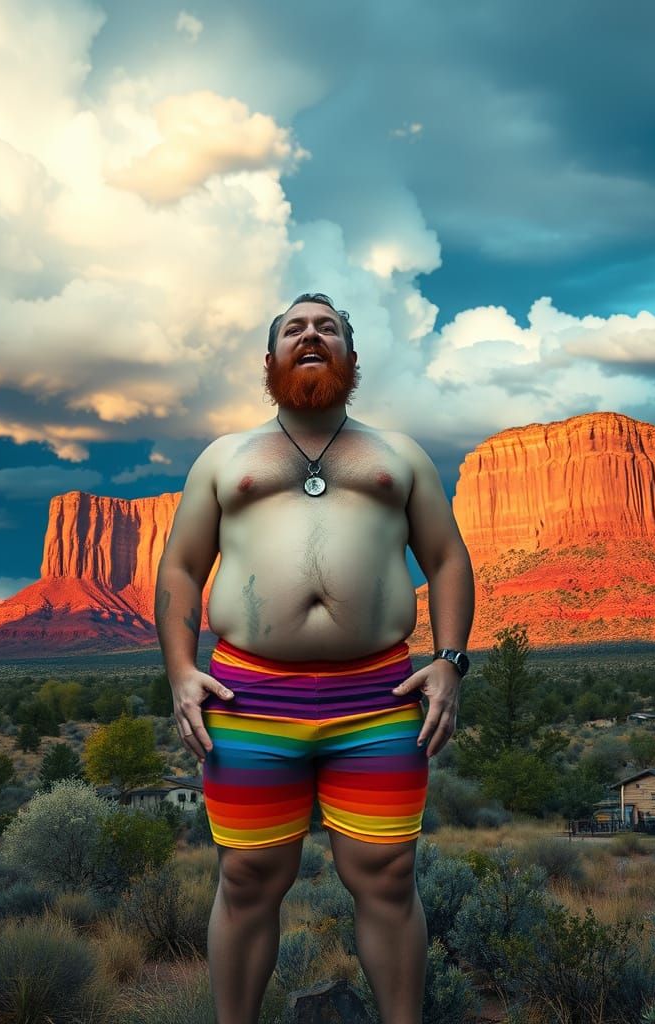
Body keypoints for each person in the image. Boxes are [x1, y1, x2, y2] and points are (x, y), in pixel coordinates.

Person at [154, 292, 475, 1024]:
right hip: (248, 698)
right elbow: (180, 570)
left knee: (389, 877)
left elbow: (448, 559)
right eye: (294, 328)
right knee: (247, 878)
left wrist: (450, 661)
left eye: (327, 327)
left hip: (381, 698)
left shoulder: (400, 455)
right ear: (269, 361)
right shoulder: (223, 458)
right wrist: (180, 673)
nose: (311, 334)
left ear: (351, 359)